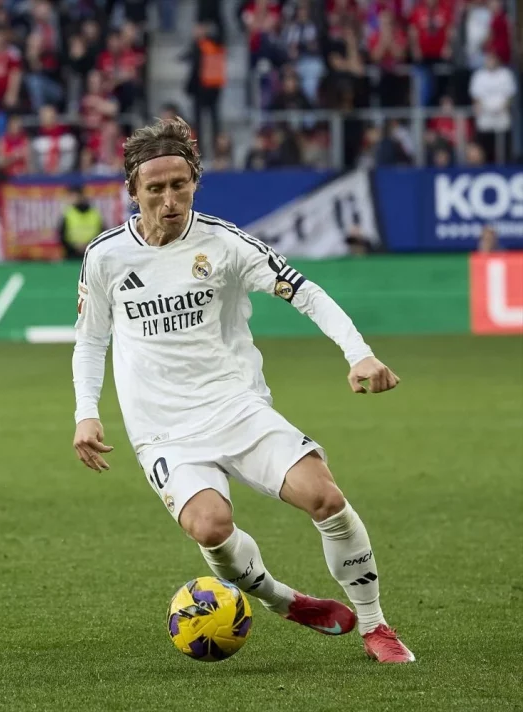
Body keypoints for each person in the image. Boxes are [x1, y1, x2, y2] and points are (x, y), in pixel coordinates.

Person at [70, 117, 414, 664]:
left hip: (236, 407)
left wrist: (359, 353)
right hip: (162, 428)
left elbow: (305, 293)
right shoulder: (107, 256)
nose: (168, 199)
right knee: (211, 527)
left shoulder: (225, 244)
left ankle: (376, 626)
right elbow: (90, 341)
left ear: (194, 183)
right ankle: (285, 600)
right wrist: (85, 412)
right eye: (154, 188)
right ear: (132, 191)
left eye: (178, 185)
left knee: (325, 495)